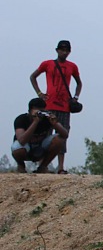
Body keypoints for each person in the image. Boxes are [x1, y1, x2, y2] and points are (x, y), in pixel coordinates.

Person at [30, 40, 82, 174]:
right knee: (45, 135)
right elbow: (33, 76)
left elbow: (79, 83)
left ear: (69, 52)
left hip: (64, 106)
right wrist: (40, 93)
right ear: (57, 50)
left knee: (63, 135)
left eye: (66, 50)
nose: (64, 52)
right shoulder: (47, 64)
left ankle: (61, 167)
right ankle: (43, 165)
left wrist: (75, 98)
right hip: (49, 105)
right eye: (62, 50)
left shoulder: (72, 67)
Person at [12, 98, 69, 173]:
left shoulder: (47, 119)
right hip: (25, 148)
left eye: (42, 111)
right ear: (29, 111)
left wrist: (55, 123)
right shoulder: (21, 119)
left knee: (59, 140)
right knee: (17, 148)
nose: (39, 113)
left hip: (41, 148)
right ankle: (21, 166)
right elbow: (21, 141)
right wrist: (35, 122)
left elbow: (65, 135)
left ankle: (43, 167)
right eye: (37, 111)